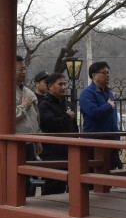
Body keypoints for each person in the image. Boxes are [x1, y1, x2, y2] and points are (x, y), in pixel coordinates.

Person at [39, 72, 79, 194]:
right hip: (52, 151)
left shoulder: (67, 103)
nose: (63, 87)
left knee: (69, 183)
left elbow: (74, 125)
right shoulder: (45, 104)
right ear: (50, 86)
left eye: (64, 84)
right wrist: (66, 117)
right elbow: (48, 124)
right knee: (53, 184)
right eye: (60, 84)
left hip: (69, 149)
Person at [79, 61, 120, 171]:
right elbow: (93, 112)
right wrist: (108, 106)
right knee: (95, 177)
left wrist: (117, 139)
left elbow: (113, 119)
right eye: (104, 72)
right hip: (94, 143)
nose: (107, 75)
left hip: (111, 141)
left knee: (109, 176)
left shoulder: (109, 93)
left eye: (108, 72)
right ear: (94, 75)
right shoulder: (87, 94)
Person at [15, 56, 41, 196]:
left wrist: (38, 139)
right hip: (17, 143)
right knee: (18, 179)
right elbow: (9, 117)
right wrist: (23, 106)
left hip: (31, 142)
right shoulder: (5, 91)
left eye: (25, 68)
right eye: (20, 69)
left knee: (30, 178)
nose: (23, 72)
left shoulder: (28, 91)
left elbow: (36, 117)